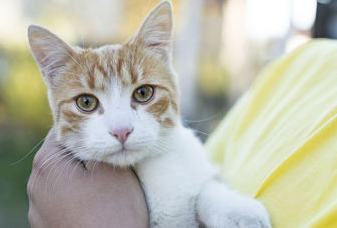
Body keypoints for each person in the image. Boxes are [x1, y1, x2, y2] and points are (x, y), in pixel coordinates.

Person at [27, 39, 337, 228]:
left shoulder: (184, 152)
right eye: (87, 102)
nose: (121, 128)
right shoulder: (302, 65)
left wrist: (209, 199)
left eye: (143, 93)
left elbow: (203, 180)